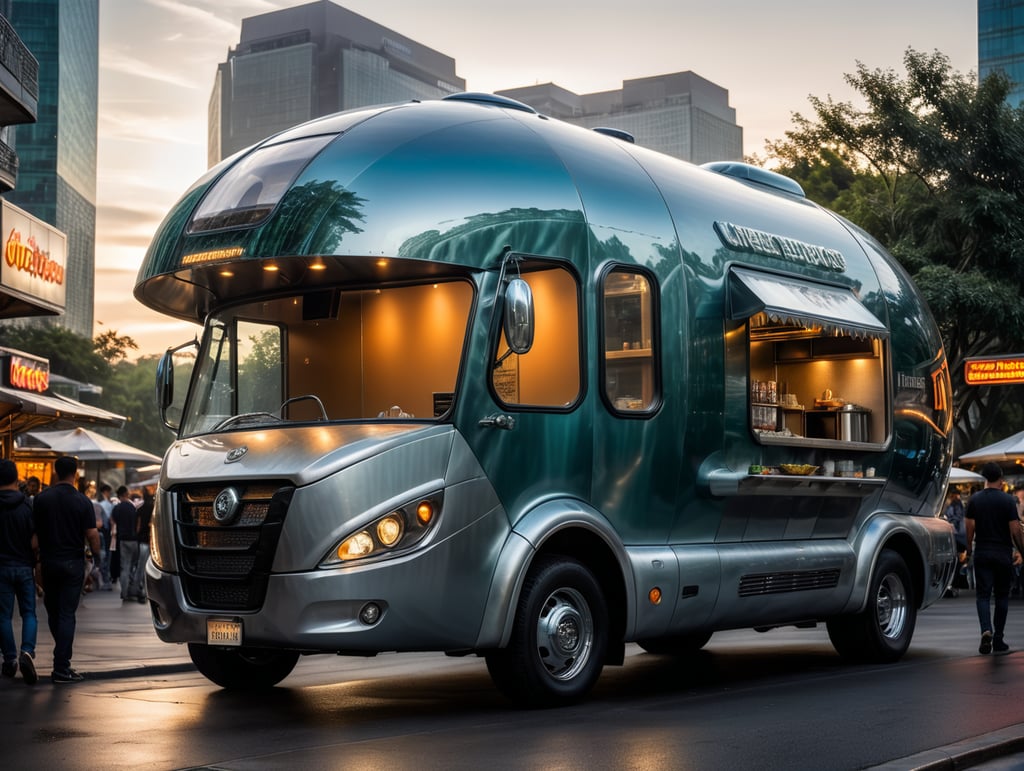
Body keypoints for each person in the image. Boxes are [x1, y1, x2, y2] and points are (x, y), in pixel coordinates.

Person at [32, 456, 101, 683]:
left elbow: (34, 538)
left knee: (53, 611)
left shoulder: (41, 499)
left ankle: (61, 657)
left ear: (55, 472)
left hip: (49, 562)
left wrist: (36, 562)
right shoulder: (82, 501)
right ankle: (61, 666)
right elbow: (92, 534)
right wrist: (97, 558)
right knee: (67, 614)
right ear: (76, 473)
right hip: (73, 563)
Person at [965, 462, 1024, 655]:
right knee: (1001, 597)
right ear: (1001, 478)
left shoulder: (974, 500)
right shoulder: (1008, 501)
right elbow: (1015, 530)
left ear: (985, 478)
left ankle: (985, 630)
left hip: (982, 551)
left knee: (982, 596)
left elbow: (969, 528)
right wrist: (1022, 550)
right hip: (1002, 553)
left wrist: (969, 549)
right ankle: (998, 639)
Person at [0, 459, 38, 684]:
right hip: (24, 566)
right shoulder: (27, 505)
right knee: (29, 613)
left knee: (3, 616)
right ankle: (27, 651)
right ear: (16, 478)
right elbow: (35, 542)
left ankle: (10, 659)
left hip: (1, 568)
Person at [111, 485, 143, 603]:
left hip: (123, 540)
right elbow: (138, 524)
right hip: (134, 540)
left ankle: (124, 593)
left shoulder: (117, 508)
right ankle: (133, 589)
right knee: (133, 565)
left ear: (119, 495)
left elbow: (113, 520)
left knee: (124, 566)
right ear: (126, 494)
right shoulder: (132, 507)